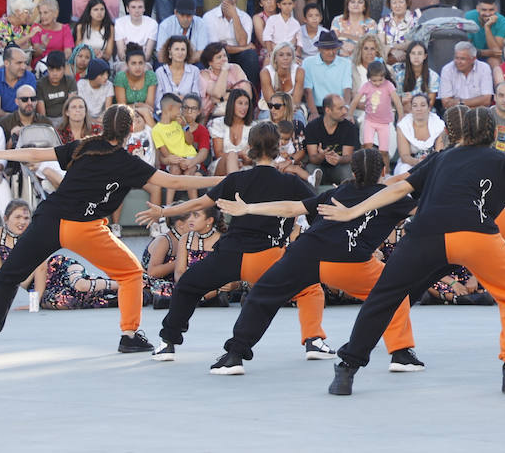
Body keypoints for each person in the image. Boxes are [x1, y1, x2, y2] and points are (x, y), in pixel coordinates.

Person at [318, 106, 505, 396]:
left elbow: (398, 189)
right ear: (493, 133)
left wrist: (352, 211)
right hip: (476, 236)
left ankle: (347, 369)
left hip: (426, 235)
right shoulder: (499, 160)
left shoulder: (442, 158)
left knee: (383, 297)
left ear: (460, 132)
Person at [0, 104, 219, 357]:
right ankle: (129, 336)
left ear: (102, 125)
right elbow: (173, 181)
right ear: (130, 130)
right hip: (85, 229)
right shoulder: (128, 162)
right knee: (131, 274)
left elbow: (35, 154)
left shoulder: (83, 146)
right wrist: (219, 181)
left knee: (8, 275)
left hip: (50, 221)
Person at [208, 148, 424, 375]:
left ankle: (234, 355)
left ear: (352, 170)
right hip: (350, 263)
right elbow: (426, 209)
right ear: (383, 170)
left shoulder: (338, 192)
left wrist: (248, 208)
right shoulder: (391, 197)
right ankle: (401, 354)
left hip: (305, 254)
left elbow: (291, 207)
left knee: (262, 295)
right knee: (393, 291)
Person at [137, 120, 331, 364]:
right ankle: (314, 341)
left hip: (229, 256)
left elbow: (199, 204)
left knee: (187, 286)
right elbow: (318, 214)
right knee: (310, 287)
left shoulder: (236, 179)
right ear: (279, 147)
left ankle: (168, 342)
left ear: (249, 147)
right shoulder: (291, 183)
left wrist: (163, 212)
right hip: (268, 257)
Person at [303, 94, 360, 186]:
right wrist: (321, 156)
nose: (345, 111)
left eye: (345, 107)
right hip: (319, 166)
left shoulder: (349, 127)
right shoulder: (312, 127)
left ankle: (347, 198)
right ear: (328, 110)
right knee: (310, 169)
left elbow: (349, 156)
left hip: (339, 167)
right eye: (340, 108)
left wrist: (339, 159)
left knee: (347, 170)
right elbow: (312, 158)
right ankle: (313, 199)